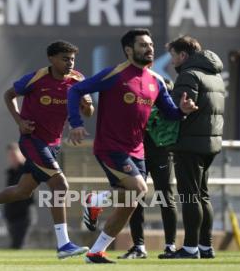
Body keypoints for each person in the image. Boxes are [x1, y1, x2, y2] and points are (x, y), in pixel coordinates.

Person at [68, 28, 198, 264]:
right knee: (138, 189)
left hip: (137, 150)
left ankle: (96, 251)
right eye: (142, 45)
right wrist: (75, 123)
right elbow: (76, 89)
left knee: (131, 201)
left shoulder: (156, 80)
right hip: (110, 147)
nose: (149, 49)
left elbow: (170, 113)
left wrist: (183, 111)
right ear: (129, 50)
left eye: (150, 45)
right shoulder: (114, 74)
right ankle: (95, 200)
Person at [0, 40, 93, 259]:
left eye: (72, 59)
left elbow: (88, 113)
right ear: (51, 59)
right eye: (65, 58)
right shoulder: (36, 78)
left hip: (53, 145)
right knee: (60, 184)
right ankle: (63, 244)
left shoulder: (77, 80)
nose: (70, 63)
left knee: (22, 191)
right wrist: (19, 121)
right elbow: (8, 95)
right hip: (32, 140)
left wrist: (88, 105)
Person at [166, 35, 225, 259]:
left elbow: (178, 110)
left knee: (190, 196)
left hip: (189, 143)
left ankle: (190, 248)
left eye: (173, 56)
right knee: (202, 195)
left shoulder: (188, 75)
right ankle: (205, 247)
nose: (171, 61)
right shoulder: (215, 76)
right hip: (209, 143)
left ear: (183, 55)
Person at [118, 79, 178, 260]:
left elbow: (174, 125)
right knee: (136, 199)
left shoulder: (170, 109)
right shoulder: (138, 104)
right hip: (138, 155)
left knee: (166, 197)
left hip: (161, 155)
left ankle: (170, 246)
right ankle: (139, 247)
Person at [3, 142, 32, 249]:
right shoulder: (10, 172)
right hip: (11, 216)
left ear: (21, 155)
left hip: (24, 215)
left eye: (15, 155)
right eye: (10, 155)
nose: (13, 158)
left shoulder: (27, 170)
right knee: (15, 244)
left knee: (18, 245)